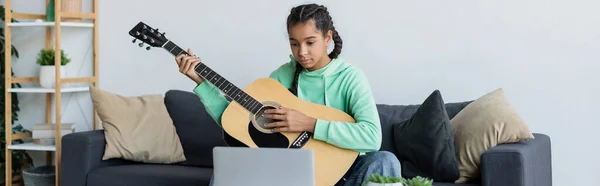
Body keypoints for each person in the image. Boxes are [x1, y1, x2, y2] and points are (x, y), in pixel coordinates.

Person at [175, 3, 402, 186]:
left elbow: (372, 138)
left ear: (327, 38)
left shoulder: (351, 77)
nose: (301, 52)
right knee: (228, 172)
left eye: (310, 42)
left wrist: (310, 123)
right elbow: (235, 121)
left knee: (385, 160)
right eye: (294, 44)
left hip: (346, 173)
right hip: (290, 176)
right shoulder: (282, 76)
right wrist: (201, 82)